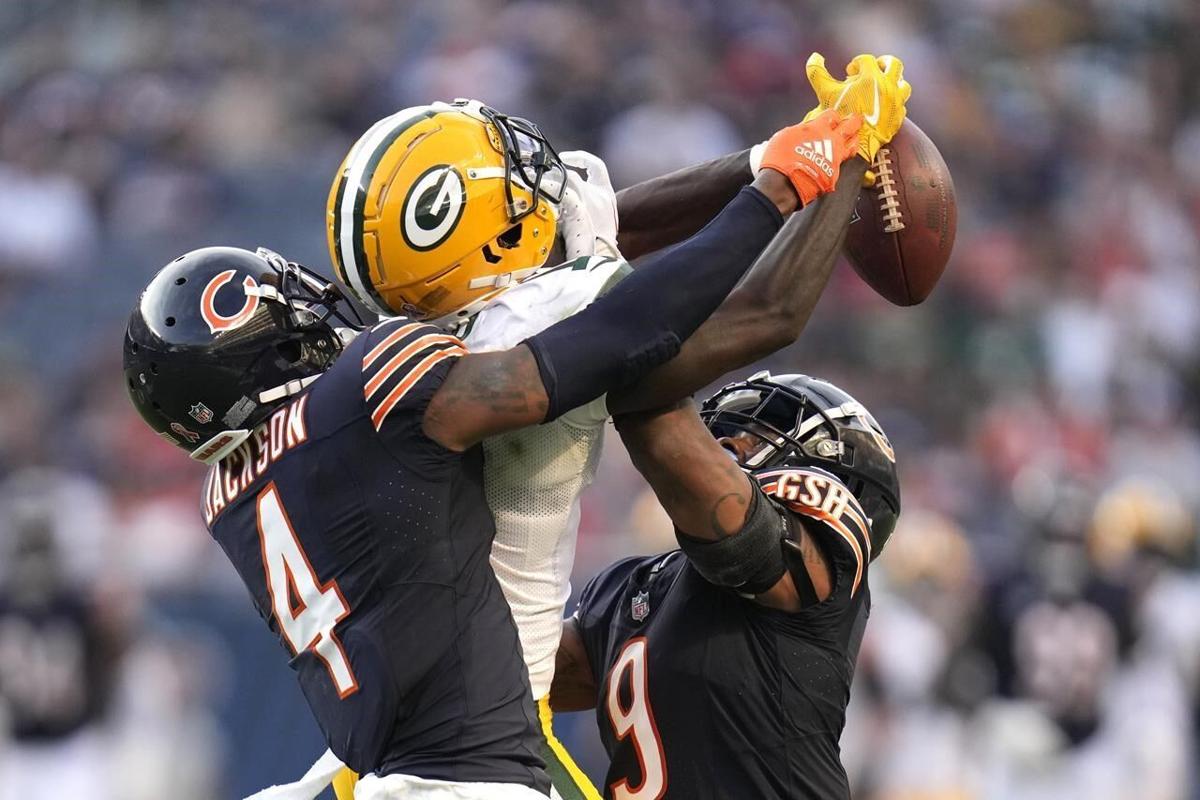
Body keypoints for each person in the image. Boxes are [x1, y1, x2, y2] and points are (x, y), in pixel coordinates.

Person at [122, 62, 891, 798]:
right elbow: (704, 317)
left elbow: (599, 242)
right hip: (479, 774)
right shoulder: (391, 384)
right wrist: (800, 176)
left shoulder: (234, 487)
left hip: (391, 767)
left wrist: (767, 156)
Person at [550, 372, 901, 799]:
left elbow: (667, 441)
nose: (726, 443)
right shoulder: (637, 585)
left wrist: (627, 347)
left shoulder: (822, 566)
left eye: (756, 434)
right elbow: (521, 678)